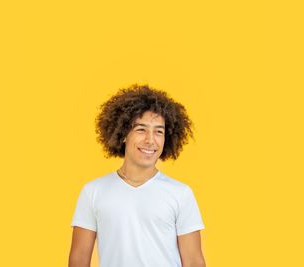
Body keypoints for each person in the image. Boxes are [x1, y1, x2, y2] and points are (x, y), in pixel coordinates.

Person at [68, 84, 206, 267]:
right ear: (124, 133)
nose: (150, 140)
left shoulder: (181, 194)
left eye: (159, 131)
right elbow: (78, 261)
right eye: (141, 129)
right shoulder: (93, 192)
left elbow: (194, 261)